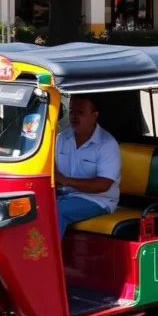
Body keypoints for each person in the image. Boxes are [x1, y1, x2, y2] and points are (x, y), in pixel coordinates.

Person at [55, 96, 121, 237]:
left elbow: (103, 185)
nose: (74, 116)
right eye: (72, 112)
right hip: (64, 195)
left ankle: (45, 258)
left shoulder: (107, 144)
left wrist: (65, 181)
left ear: (94, 116)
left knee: (55, 210)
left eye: (81, 113)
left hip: (97, 199)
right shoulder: (61, 138)